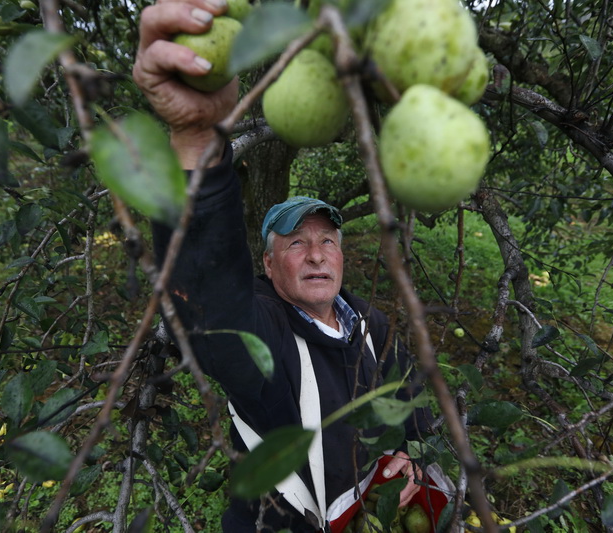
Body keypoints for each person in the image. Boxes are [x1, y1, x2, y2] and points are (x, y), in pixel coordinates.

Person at [134, 1, 437, 530]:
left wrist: (416, 456)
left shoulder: (371, 327)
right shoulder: (264, 340)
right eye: (296, 244)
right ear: (270, 268)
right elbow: (210, 297)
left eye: (327, 241)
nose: (317, 253)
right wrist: (196, 138)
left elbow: (413, 403)